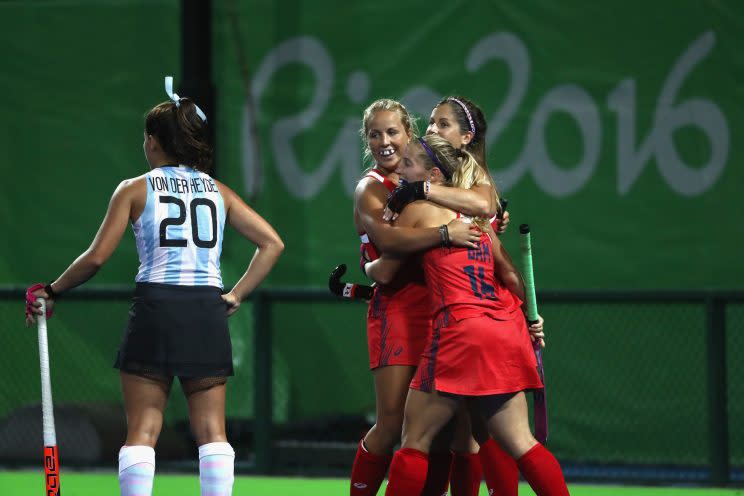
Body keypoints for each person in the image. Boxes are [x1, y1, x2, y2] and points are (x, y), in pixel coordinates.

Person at [24, 76, 284, 496]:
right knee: (212, 432)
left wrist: (52, 290)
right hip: (205, 310)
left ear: (153, 141)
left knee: (143, 429)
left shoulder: (134, 188)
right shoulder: (218, 191)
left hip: (157, 306)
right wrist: (236, 293)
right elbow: (272, 243)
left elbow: (95, 257)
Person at [365, 134, 569, 496]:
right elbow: (511, 279)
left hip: (459, 332)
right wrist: (529, 319)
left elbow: (384, 271)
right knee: (522, 442)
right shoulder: (480, 219)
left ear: (434, 176)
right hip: (504, 331)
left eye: (408, 165)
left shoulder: (415, 210)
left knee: (414, 440)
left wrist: (365, 271)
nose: (400, 173)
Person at [350, 98, 501, 496]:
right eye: (375, 134)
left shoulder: (435, 184)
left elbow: (488, 204)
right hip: (398, 307)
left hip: (445, 311)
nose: (385, 141)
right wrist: (444, 233)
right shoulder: (371, 186)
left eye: (393, 132)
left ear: (410, 135)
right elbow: (386, 244)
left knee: (456, 428)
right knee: (395, 420)